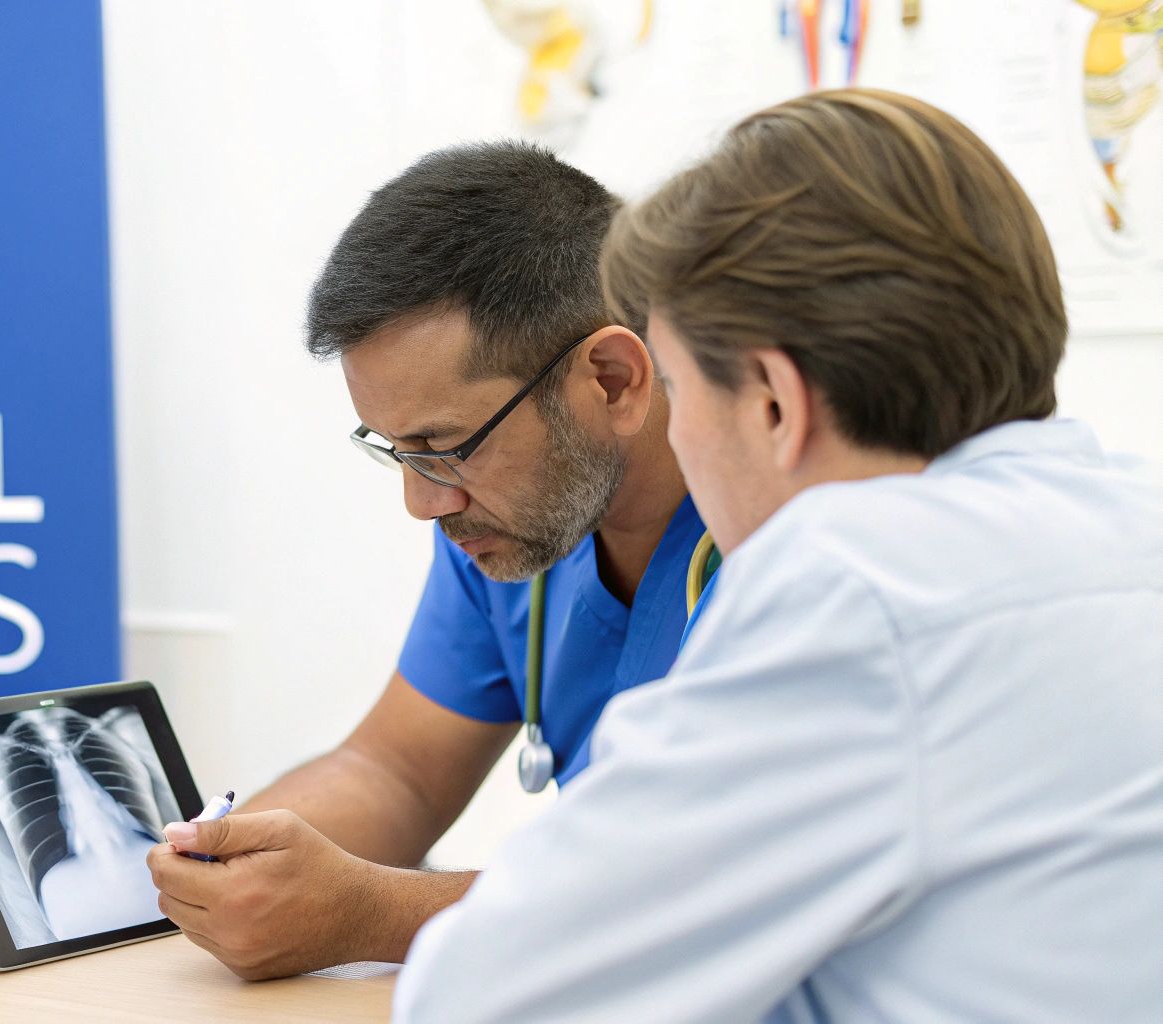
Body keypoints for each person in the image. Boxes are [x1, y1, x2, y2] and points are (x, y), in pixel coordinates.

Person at [394, 88, 1163, 1021]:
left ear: (771, 402)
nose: (677, 437)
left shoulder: (855, 586)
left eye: (679, 389)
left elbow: (483, 994)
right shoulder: (1129, 516)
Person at [0, 142, 711, 977]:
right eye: (396, 450)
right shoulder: (512, 526)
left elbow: (712, 891)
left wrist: (373, 914)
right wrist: (186, 869)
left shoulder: (775, 554)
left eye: (445, 446)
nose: (423, 504)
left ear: (612, 380)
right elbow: (394, 773)